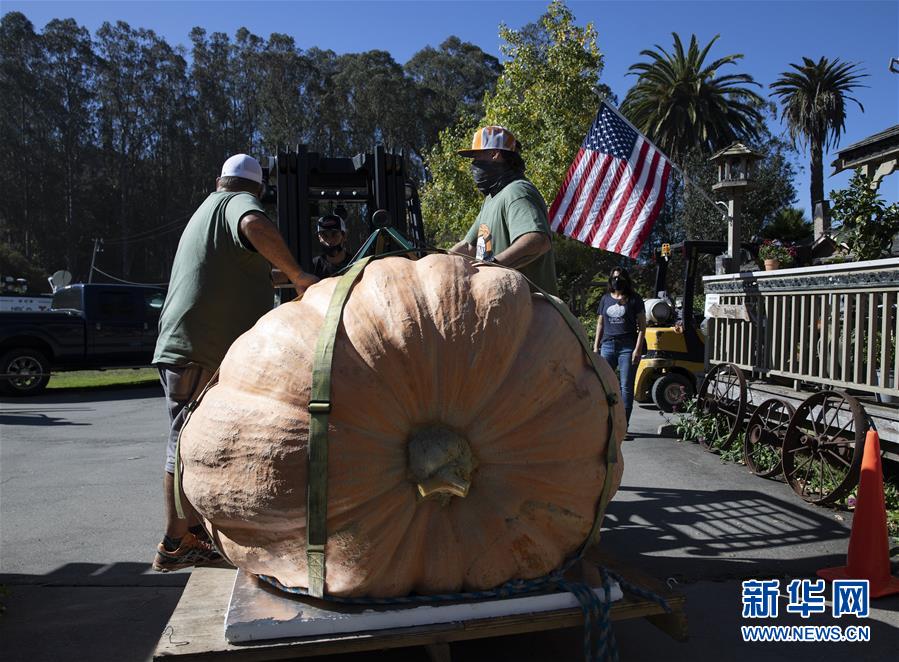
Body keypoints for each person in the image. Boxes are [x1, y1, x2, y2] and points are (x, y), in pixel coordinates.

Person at [151, 153, 318, 572]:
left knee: (193, 442)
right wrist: (298, 275)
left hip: (186, 345)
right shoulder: (237, 206)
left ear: (218, 178)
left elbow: (246, 272)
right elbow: (253, 225)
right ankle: (175, 541)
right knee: (185, 445)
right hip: (198, 349)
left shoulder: (208, 212)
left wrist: (284, 277)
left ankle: (190, 535)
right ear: (257, 190)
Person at [451, 126, 558, 295]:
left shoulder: (517, 191)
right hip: (505, 309)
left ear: (494, 154)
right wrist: (432, 263)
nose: (473, 163)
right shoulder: (491, 199)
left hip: (534, 311)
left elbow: (538, 240)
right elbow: (468, 246)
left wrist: (493, 264)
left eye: (477, 155)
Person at [593, 268, 646, 425]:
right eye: (614, 277)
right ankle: (605, 424)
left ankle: (623, 426)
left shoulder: (634, 299)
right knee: (603, 385)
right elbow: (600, 324)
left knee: (626, 387)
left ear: (626, 280)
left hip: (627, 348)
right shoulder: (605, 299)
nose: (617, 280)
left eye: (620, 277)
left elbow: (642, 327)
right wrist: (596, 347)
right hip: (607, 346)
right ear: (610, 280)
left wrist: (637, 349)